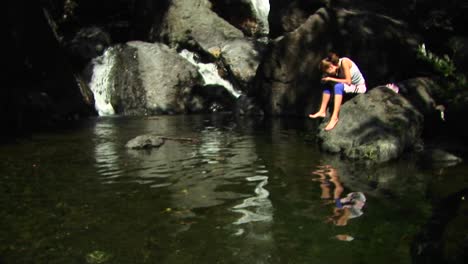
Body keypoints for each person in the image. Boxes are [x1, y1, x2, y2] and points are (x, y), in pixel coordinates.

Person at [309, 52, 367, 131]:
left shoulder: (344, 62)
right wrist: (327, 79)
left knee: (338, 87)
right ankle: (322, 111)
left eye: (327, 71)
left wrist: (331, 79)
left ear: (331, 66)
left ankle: (334, 117)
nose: (327, 73)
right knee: (327, 84)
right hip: (350, 87)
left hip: (359, 87)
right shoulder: (336, 68)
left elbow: (348, 81)